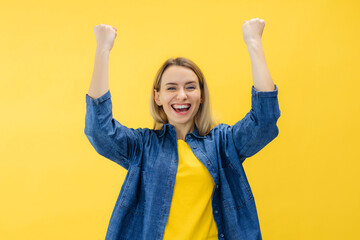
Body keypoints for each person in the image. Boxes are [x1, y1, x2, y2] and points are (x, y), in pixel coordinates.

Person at [85, 18, 280, 240]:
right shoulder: (142, 146)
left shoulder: (223, 143)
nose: (182, 95)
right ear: (157, 97)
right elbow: (99, 131)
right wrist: (102, 50)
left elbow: (264, 122)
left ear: (202, 94)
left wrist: (254, 43)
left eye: (190, 87)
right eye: (171, 88)